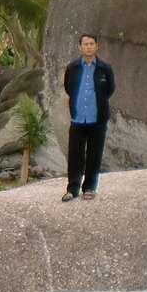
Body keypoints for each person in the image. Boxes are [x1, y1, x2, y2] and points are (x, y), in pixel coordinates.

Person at [61, 33, 115, 202]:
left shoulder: (105, 69)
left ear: (96, 46)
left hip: (97, 119)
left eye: (92, 44)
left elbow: (109, 90)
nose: (89, 47)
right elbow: (69, 88)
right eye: (85, 44)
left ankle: (90, 187)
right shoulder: (73, 68)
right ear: (80, 47)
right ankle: (73, 188)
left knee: (94, 154)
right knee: (75, 154)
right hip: (78, 118)